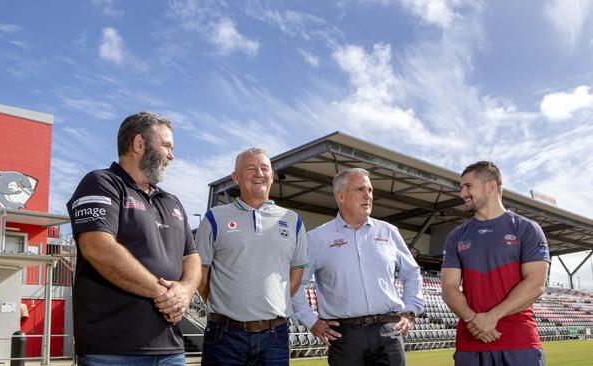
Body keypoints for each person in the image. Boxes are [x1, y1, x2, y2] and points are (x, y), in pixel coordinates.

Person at [67, 112, 201, 366]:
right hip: (112, 351)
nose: (172, 155)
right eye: (166, 146)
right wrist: (164, 294)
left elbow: (191, 256)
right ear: (139, 144)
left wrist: (184, 291)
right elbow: (97, 248)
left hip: (170, 350)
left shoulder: (172, 201)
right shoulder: (101, 183)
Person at [292, 168, 424, 366]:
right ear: (341, 196)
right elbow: (295, 285)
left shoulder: (388, 231)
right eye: (360, 189)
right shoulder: (316, 238)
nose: (368, 196)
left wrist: (411, 312)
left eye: (370, 190)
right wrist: (311, 322)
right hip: (345, 337)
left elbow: (412, 273)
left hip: (388, 332)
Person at [196, 147, 309, 366]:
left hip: (274, 336)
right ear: (235, 177)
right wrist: (229, 307)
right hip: (224, 336)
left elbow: (295, 277)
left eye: (264, 168)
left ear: (272, 176)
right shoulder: (214, 218)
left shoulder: (293, 220)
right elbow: (201, 277)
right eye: (250, 168)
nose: (259, 173)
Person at [441, 161, 550, 366]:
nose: (461, 193)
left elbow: (536, 283)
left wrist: (492, 317)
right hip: (470, 343)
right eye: (461, 187)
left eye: (468, 186)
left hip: (519, 343)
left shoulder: (526, 228)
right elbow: (449, 287)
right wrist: (474, 320)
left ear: (491, 186)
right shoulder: (456, 236)